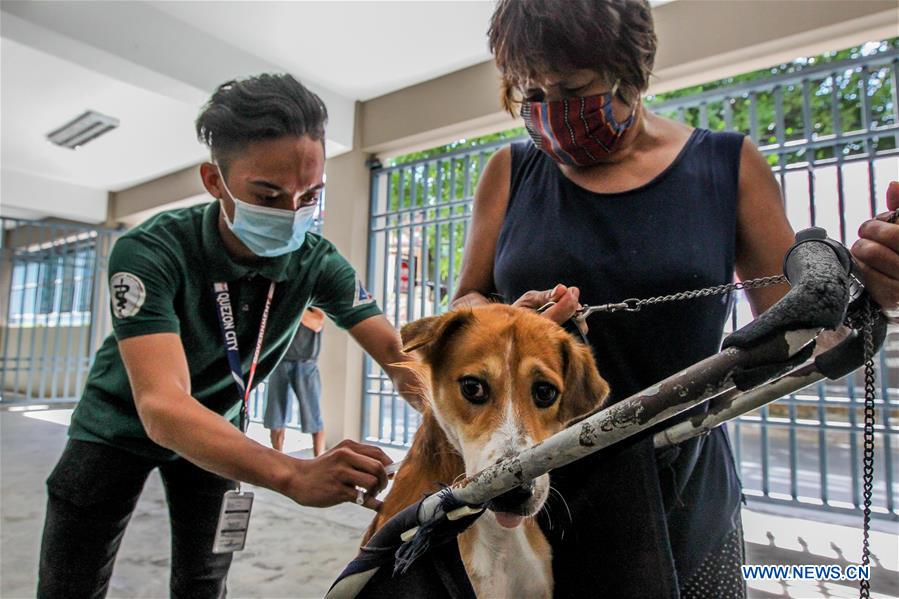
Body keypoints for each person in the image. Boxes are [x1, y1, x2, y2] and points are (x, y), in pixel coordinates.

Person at [452, 1, 899, 597]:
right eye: (531, 93)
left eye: (572, 89)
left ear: (631, 73)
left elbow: (808, 331)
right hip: (529, 487)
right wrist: (504, 321)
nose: (550, 110)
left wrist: (876, 287)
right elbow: (465, 300)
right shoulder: (508, 171)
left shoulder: (727, 166)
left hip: (682, 495)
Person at [37, 73, 420, 599]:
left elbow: (399, 357)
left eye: (310, 194)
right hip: (116, 426)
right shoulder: (150, 250)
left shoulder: (316, 262)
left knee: (204, 581)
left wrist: (469, 410)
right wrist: (290, 473)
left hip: (218, 430)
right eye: (267, 194)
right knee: (69, 583)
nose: (291, 212)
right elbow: (162, 406)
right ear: (214, 181)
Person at [264, 306, 326, 455]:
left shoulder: (314, 308)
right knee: (275, 418)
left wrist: (294, 303)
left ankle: (319, 459)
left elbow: (317, 324)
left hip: (305, 365)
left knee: (313, 418)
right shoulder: (282, 306)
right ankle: (278, 458)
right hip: (279, 362)